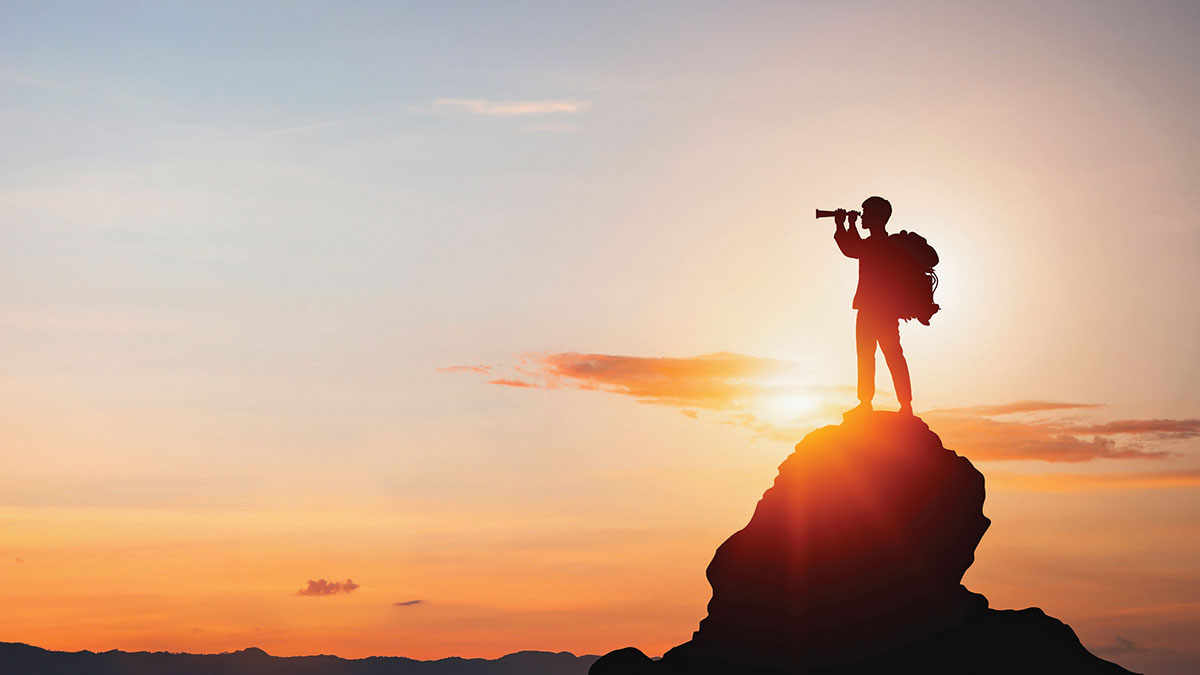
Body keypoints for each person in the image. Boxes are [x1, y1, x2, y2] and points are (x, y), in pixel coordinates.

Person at [833, 196, 913, 416]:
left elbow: (852, 249)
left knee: (888, 355)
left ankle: (901, 404)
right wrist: (847, 225)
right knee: (874, 355)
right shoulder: (881, 244)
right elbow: (856, 247)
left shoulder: (881, 245)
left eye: (866, 213)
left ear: (877, 217)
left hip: (877, 311)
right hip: (875, 310)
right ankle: (877, 402)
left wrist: (843, 224)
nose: (862, 217)